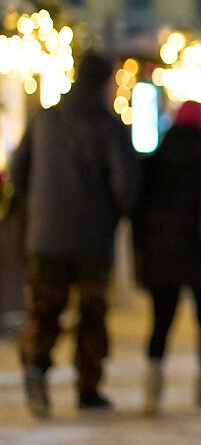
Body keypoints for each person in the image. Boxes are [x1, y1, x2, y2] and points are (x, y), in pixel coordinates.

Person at [10, 50, 141, 417]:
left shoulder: (44, 119)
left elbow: (19, 173)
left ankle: (36, 363)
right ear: (104, 81)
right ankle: (87, 388)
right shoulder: (109, 126)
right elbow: (125, 186)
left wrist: (40, 205)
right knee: (92, 314)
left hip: (45, 237)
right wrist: (117, 212)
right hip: (93, 240)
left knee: (44, 308)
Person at [131, 100, 201, 414]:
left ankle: (153, 394)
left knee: (160, 323)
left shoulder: (154, 160)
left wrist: (143, 249)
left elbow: (137, 209)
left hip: (161, 254)